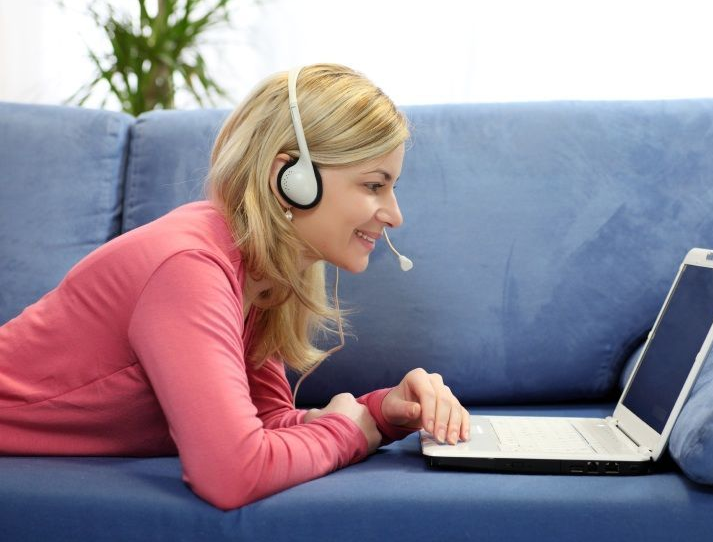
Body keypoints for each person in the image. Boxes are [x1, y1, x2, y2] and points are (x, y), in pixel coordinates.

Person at [0, 63, 470, 510]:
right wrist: (348, 433)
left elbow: (265, 423)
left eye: (391, 187)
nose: (394, 215)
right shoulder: (189, 267)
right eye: (373, 185)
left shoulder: (258, 271)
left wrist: (383, 413)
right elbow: (233, 472)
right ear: (291, 179)